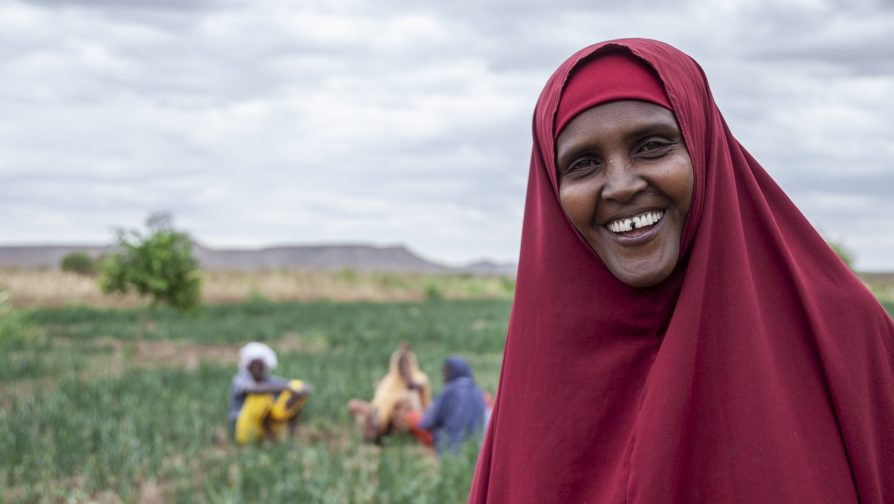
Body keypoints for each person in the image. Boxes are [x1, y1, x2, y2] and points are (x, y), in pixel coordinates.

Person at [469, 39, 894, 503]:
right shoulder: (538, 375)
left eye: (652, 146)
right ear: (552, 188)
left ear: (703, 146)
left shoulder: (842, 334)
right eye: (583, 163)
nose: (622, 185)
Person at [348, 343, 432, 442]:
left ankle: (394, 437)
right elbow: (380, 402)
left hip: (401, 419)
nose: (403, 369)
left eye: (405, 365)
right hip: (380, 415)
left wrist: (409, 380)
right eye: (400, 365)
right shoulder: (390, 381)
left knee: (407, 401)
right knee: (354, 405)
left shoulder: (419, 379)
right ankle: (373, 433)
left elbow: (419, 402)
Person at [229, 342, 310, 445]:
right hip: (243, 426)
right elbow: (253, 389)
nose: (257, 370)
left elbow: (300, 386)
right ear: (248, 366)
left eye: (260, 366)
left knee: (296, 385)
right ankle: (246, 441)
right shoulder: (240, 380)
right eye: (254, 365)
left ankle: (287, 437)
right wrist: (286, 387)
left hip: (263, 424)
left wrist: (295, 395)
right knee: (260, 397)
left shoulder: (267, 380)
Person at [416, 356, 487, 454]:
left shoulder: (450, 390)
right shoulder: (478, 392)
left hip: (451, 451)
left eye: (445, 371)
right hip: (476, 451)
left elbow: (426, 422)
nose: (443, 376)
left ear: (453, 372)